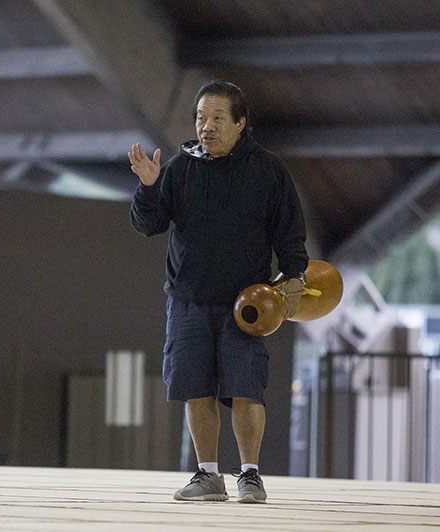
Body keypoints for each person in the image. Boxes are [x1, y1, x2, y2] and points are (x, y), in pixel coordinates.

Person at [129, 81, 308, 504]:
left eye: (217, 119)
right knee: (196, 388)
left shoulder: (267, 170)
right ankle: (207, 475)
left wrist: (295, 274)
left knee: (247, 388)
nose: (206, 127)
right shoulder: (178, 167)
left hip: (246, 303)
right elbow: (147, 224)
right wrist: (149, 186)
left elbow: (289, 231)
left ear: (241, 124)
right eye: (200, 118)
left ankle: (250, 475)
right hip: (187, 300)